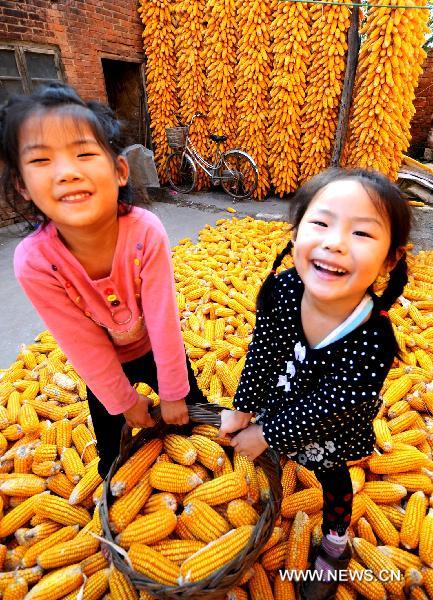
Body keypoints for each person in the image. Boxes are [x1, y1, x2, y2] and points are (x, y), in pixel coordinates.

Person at [219, 168, 411, 599]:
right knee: (274, 441)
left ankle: (335, 543)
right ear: (295, 233)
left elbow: (333, 403)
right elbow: (264, 353)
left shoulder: (373, 336)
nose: (336, 242)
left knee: (334, 480)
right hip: (284, 397)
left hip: (331, 426)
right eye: (321, 223)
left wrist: (267, 432)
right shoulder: (285, 289)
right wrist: (243, 409)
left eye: (361, 233)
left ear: (391, 259)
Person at [0, 83, 206, 478]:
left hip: (155, 347)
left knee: (192, 418)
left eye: (83, 153)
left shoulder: (145, 231)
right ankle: (115, 484)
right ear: (22, 187)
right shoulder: (35, 262)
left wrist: (175, 390)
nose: (67, 172)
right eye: (41, 160)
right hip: (107, 362)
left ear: (119, 171)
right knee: (113, 447)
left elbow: (163, 320)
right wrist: (124, 401)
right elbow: (82, 342)